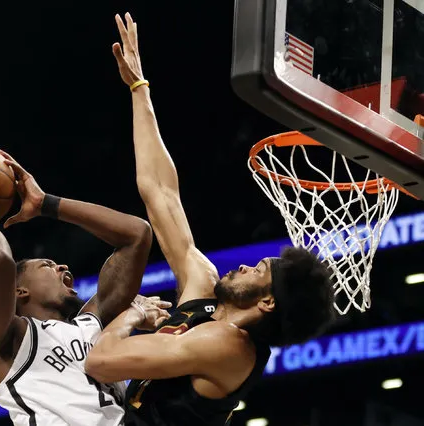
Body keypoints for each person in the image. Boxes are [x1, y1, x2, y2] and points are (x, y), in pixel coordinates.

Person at [84, 13, 336, 426]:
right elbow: (160, 191)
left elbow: (102, 360)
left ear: (268, 302)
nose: (242, 265)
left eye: (258, 270)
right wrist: (138, 88)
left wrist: (133, 315)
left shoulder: (230, 348)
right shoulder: (204, 286)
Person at [0, 150, 162, 426]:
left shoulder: (93, 324)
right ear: (19, 291)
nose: (64, 268)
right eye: (47, 265)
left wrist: (46, 204)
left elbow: (137, 235)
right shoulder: (8, 337)